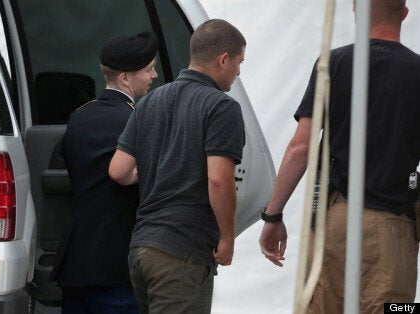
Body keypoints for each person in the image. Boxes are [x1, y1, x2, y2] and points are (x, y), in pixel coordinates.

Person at [259, 0, 420, 312]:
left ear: (358, 11)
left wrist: (273, 215)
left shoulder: (333, 63)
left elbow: (300, 148)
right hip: (393, 226)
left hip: (333, 220)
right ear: (404, 13)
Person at [109, 19, 246, 313]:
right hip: (182, 250)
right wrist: (228, 238)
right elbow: (219, 180)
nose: (238, 71)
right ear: (223, 59)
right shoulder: (222, 107)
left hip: (142, 248)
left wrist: (164, 165)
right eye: (238, 63)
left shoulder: (149, 101)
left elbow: (119, 170)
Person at [50, 31, 159, 314]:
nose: (155, 76)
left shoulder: (79, 116)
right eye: (148, 69)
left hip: (76, 258)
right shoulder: (138, 118)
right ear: (125, 77)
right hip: (117, 260)